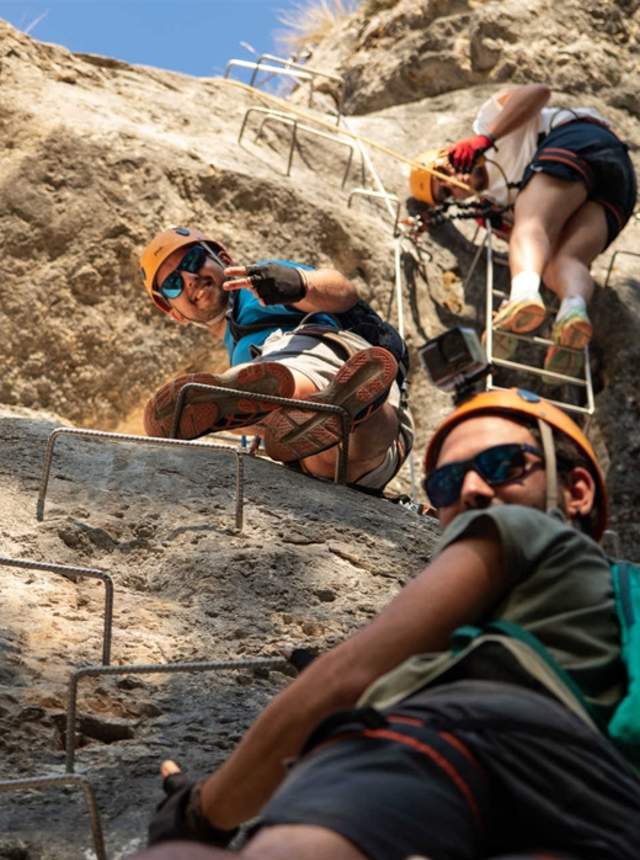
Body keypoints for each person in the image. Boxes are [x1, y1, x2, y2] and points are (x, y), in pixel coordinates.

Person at [135, 387, 640, 860]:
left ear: (576, 490)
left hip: (457, 740)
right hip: (604, 807)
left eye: (501, 465)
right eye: (445, 482)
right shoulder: (605, 608)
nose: (471, 491)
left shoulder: (519, 525)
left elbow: (344, 679)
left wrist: (198, 813)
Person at [139, 227, 413, 491]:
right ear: (173, 312)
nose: (190, 278)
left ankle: (275, 399)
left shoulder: (260, 287)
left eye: (194, 260)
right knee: (328, 457)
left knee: (284, 373)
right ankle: (351, 408)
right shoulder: (235, 347)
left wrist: (298, 284)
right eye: (174, 284)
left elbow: (343, 293)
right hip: (367, 461)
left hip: (331, 355)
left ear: (222, 258)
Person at [406, 84, 637, 377]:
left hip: (578, 141)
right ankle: (572, 312)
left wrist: (486, 137)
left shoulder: (489, 125)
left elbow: (539, 93)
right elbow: (540, 243)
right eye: (446, 194)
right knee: (563, 261)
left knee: (530, 226)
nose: (453, 184)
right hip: (617, 183)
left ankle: (523, 296)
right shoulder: (497, 204)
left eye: (445, 170)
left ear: (450, 153)